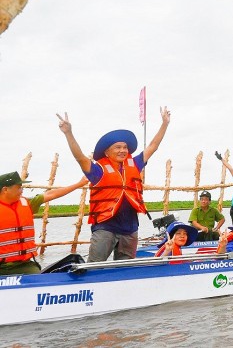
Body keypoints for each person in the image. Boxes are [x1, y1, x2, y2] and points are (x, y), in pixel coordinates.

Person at [57, 108, 171, 262]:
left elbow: (153, 146)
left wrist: (164, 124)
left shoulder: (135, 164)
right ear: (106, 152)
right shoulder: (98, 170)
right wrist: (68, 133)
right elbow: (79, 157)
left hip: (130, 228)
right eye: (118, 147)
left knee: (125, 269)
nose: (123, 150)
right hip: (105, 227)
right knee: (94, 267)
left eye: (125, 147)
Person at [0, 172, 87, 275]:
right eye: (19, 187)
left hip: (25, 265)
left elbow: (51, 194)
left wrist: (79, 184)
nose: (21, 190)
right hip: (2, 266)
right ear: (5, 189)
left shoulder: (27, 203)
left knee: (39, 281)